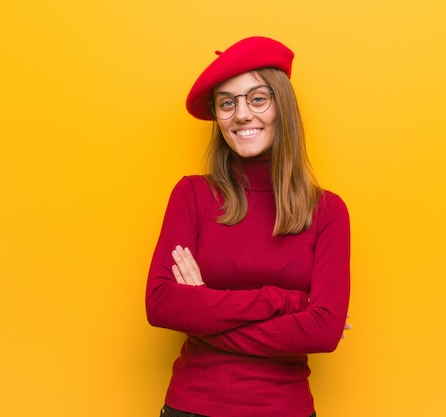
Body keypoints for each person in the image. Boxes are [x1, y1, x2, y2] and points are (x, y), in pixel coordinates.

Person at [146, 36, 351, 417]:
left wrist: (204, 309)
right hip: (191, 407)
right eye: (227, 103)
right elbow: (161, 305)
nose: (241, 115)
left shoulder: (327, 211)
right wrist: (286, 302)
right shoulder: (192, 195)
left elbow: (324, 331)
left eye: (257, 98)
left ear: (282, 106)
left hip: (283, 409)